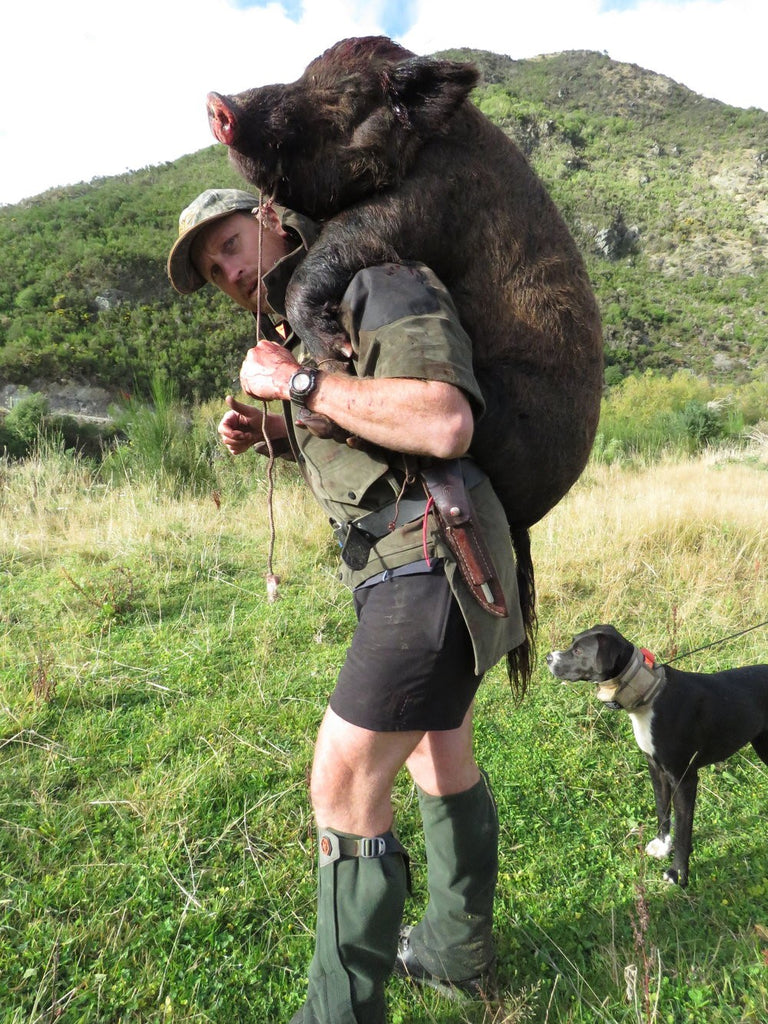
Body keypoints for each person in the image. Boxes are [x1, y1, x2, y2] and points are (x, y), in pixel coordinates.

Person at [167, 188, 526, 1024]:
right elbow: (375, 432)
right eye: (213, 267)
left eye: (228, 243)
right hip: (408, 558)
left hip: (430, 558)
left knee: (342, 777)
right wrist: (281, 433)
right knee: (439, 756)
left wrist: (296, 381)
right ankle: (454, 948)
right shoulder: (307, 322)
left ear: (273, 216)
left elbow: (441, 421)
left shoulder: (374, 280)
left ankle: (337, 1015)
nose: (227, 270)